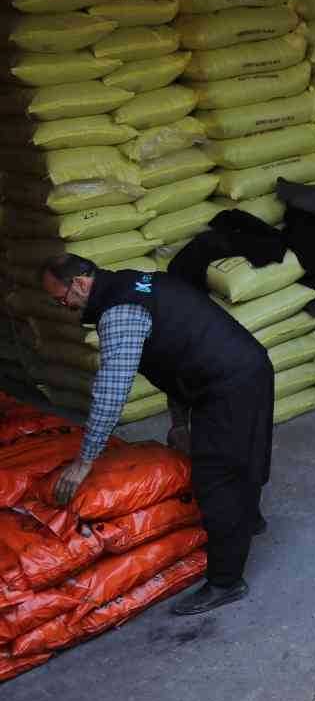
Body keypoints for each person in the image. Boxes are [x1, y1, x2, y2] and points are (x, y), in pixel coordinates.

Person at [39, 255, 274, 616]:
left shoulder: (119, 312)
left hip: (227, 384)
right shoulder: (137, 283)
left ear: (82, 284)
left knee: (215, 477)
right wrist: (180, 424)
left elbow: (111, 391)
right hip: (247, 365)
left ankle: (226, 581)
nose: (62, 307)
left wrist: (84, 462)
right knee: (241, 454)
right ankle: (249, 520)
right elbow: (174, 356)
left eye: (61, 298)